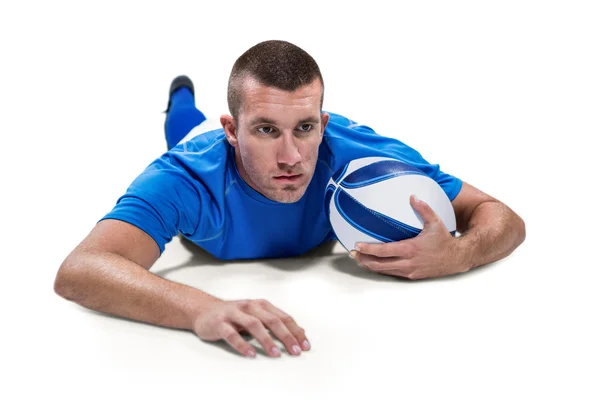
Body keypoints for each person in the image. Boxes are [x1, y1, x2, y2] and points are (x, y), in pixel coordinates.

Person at [53, 40, 526, 359]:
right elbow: (81, 269)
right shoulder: (186, 178)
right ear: (233, 131)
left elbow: (501, 215)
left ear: (322, 122)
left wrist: (460, 253)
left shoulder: (360, 156)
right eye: (264, 130)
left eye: (304, 128)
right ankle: (180, 95)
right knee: (181, 123)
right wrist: (200, 308)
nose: (291, 156)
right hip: (192, 140)